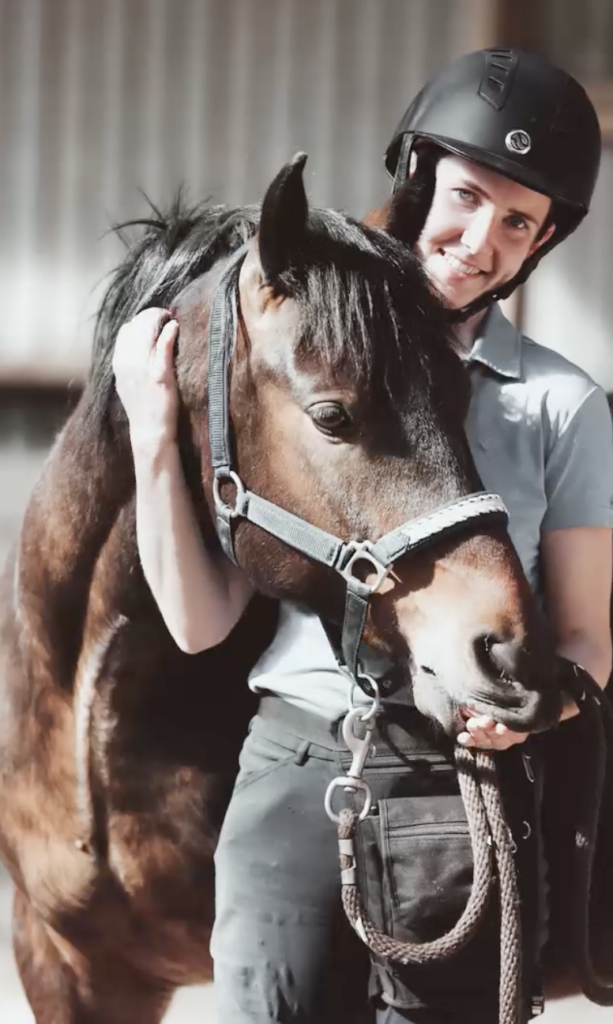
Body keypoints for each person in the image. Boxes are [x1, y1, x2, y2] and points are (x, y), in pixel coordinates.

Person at [112, 49, 613, 1024]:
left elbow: (590, 635)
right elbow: (201, 622)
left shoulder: (563, 405)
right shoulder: (311, 371)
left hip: (462, 789)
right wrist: (147, 426)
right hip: (297, 764)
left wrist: (537, 711)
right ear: (418, 178)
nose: (479, 241)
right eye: (466, 196)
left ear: (544, 240)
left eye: (519, 221)